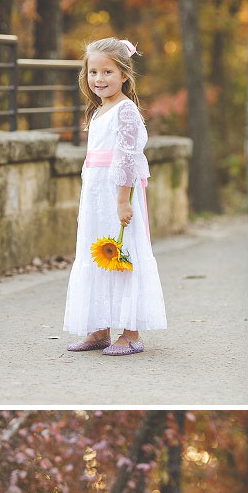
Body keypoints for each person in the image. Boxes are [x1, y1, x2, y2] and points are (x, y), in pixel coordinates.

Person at [63, 38, 167, 356]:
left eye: (107, 71)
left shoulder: (126, 111)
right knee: (96, 252)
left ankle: (131, 332)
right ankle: (99, 328)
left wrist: (122, 201)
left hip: (116, 193)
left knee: (122, 253)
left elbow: (126, 158)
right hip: (95, 192)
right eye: (93, 72)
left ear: (124, 74)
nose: (99, 79)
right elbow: (93, 160)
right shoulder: (98, 112)